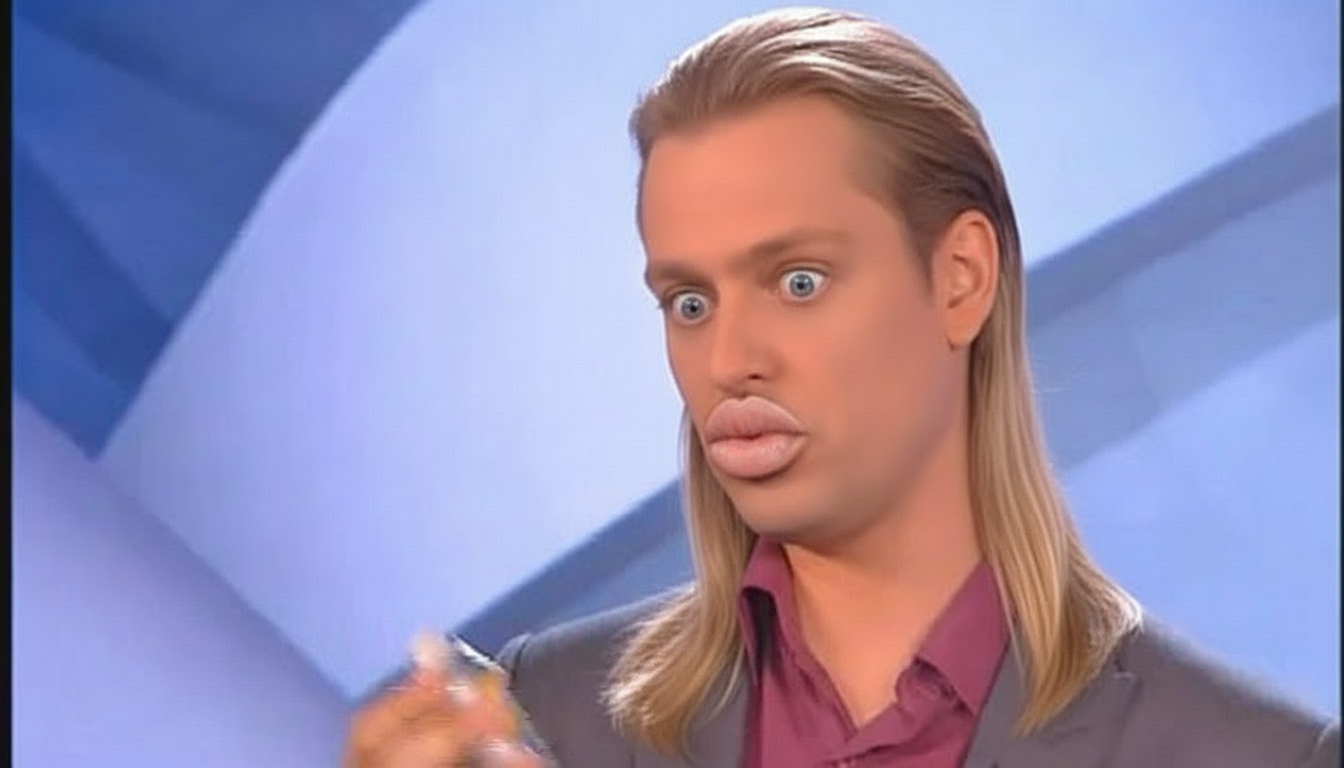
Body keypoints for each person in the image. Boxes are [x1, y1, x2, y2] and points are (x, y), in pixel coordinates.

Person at [343, 8, 1339, 768]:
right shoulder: (552, 714)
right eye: (689, 301)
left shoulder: (1252, 756)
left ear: (961, 279)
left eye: (798, 282)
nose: (729, 358)